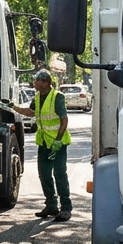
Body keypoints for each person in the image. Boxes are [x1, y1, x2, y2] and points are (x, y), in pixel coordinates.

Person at [14, 69, 72, 222]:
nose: (35, 83)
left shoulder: (57, 97)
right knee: (44, 174)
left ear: (46, 83)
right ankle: (51, 205)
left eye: (38, 80)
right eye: (35, 80)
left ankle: (66, 208)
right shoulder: (38, 97)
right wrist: (13, 107)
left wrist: (58, 141)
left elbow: (64, 120)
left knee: (59, 174)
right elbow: (31, 112)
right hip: (45, 143)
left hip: (57, 144)